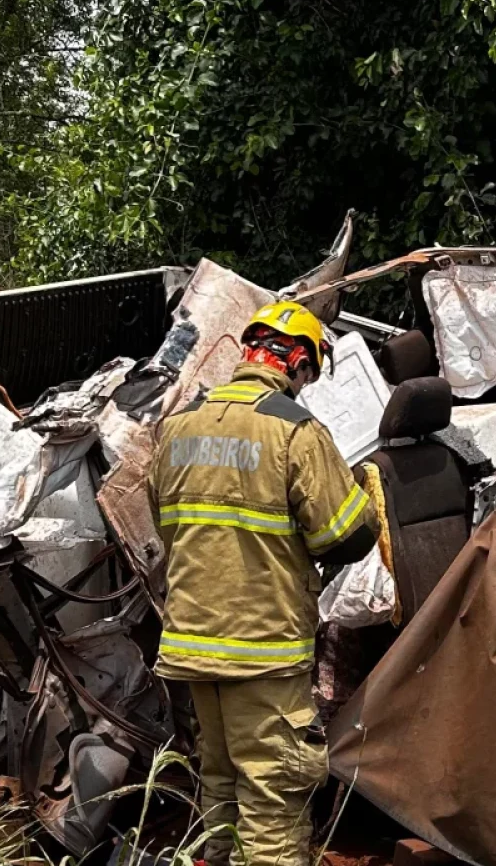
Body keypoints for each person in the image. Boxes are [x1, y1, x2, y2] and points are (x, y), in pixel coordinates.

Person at [150, 300, 381, 864]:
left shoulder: (176, 430)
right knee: (274, 800)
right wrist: (364, 490)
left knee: (221, 787)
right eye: (309, 372)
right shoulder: (294, 431)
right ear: (297, 363)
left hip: (193, 648)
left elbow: (168, 527)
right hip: (264, 651)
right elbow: (343, 536)